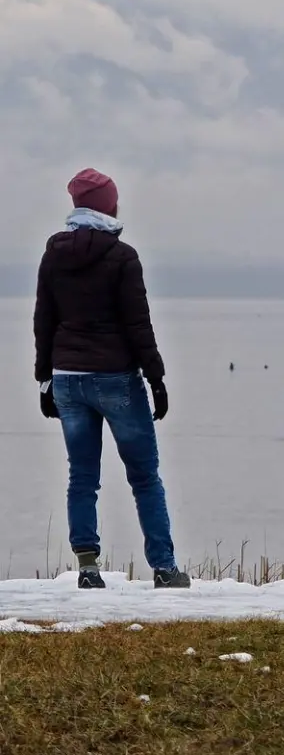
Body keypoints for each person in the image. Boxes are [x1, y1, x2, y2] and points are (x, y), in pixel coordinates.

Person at [33, 169, 189, 590]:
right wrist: (156, 379)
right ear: (109, 205)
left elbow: (44, 320)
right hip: (116, 378)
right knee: (144, 476)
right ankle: (165, 568)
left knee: (82, 477)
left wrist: (44, 378)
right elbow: (139, 325)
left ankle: (87, 568)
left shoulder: (53, 255)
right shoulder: (123, 257)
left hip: (67, 378)